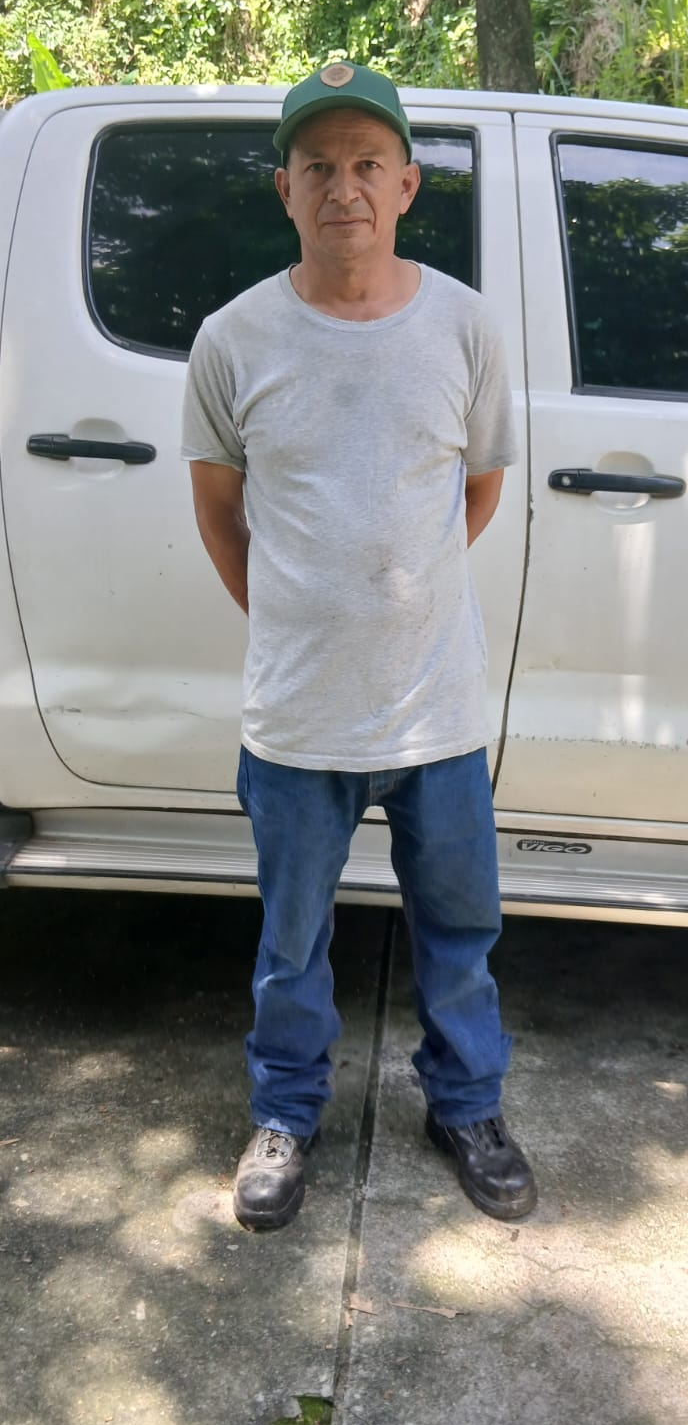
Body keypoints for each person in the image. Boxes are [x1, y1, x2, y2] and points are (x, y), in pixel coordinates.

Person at [181, 60, 537, 1232]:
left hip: (438, 708)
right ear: (284, 188)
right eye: (320, 165)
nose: (346, 187)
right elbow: (220, 514)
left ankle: (467, 1105)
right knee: (292, 943)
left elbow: (476, 489)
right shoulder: (233, 339)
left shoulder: (464, 326)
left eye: (368, 164)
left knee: (461, 933)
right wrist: (304, 615)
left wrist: (398, 597)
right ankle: (285, 1113)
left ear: (407, 185)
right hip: (298, 719)